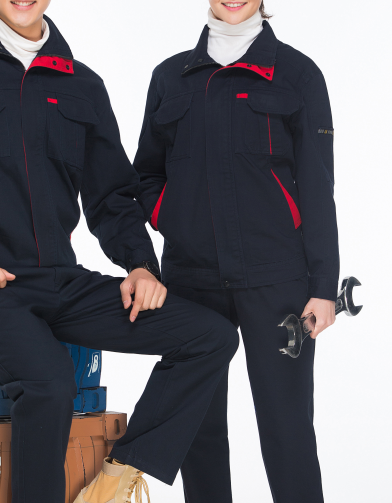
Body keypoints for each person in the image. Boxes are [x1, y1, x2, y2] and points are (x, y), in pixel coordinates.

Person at [0, 1, 240, 502]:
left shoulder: (82, 86)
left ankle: (119, 476)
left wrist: (140, 265)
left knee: (211, 335)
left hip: (62, 283)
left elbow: (111, 196)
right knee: (50, 382)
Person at [133, 1, 339, 502]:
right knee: (198, 430)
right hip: (190, 279)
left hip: (277, 280)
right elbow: (146, 174)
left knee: (287, 428)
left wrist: (323, 286)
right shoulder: (170, 78)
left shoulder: (298, 74)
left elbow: (317, 186)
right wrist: (174, 218)